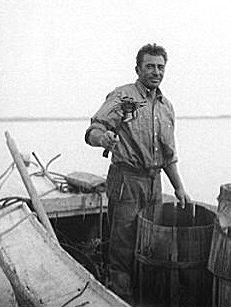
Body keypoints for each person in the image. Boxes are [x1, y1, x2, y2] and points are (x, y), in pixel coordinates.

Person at [84, 43, 190, 302]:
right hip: (126, 180)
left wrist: (178, 187)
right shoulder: (122, 96)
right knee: (123, 244)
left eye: (161, 67)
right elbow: (92, 131)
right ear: (138, 69)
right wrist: (104, 139)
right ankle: (120, 297)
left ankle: (144, 297)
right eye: (150, 66)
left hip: (154, 183)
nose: (156, 72)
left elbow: (168, 155)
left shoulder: (167, 107)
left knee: (150, 243)